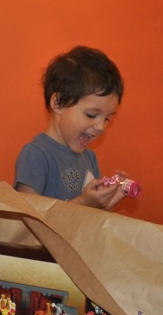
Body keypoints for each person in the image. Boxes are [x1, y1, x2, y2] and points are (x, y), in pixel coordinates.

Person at [14, 46, 128, 211]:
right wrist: (82, 202)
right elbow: (28, 219)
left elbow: (88, 218)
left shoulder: (90, 158)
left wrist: (105, 204)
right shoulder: (36, 155)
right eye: (91, 115)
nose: (101, 127)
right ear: (58, 103)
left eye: (107, 118)